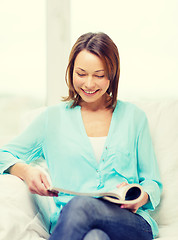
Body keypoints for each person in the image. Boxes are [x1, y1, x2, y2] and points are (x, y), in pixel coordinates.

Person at [0, 32, 162, 240]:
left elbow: (152, 182)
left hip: (129, 222)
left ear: (112, 74)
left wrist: (140, 195)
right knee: (94, 237)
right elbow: (4, 154)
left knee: (82, 206)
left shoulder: (134, 118)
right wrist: (26, 171)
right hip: (72, 224)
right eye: (81, 73)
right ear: (71, 72)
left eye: (99, 75)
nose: (89, 84)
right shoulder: (51, 119)